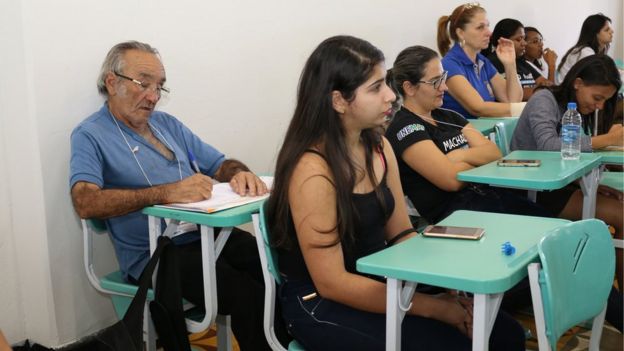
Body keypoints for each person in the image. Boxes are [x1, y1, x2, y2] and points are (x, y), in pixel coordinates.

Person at [267, 35, 525, 351]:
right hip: (321, 301)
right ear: (338, 101)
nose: (390, 95)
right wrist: (435, 307)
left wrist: (450, 286)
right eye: (375, 88)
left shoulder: (379, 146)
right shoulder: (312, 171)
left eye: (385, 83)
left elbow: (402, 234)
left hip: (381, 279)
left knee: (503, 333)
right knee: (453, 343)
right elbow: (332, 282)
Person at [69, 41, 279, 350]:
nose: (153, 96)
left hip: (206, 237)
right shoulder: (91, 135)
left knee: (273, 268)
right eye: (144, 83)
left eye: (160, 87)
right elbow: (85, 202)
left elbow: (219, 164)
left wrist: (239, 173)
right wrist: (166, 193)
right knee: (246, 294)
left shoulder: (167, 125)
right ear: (112, 82)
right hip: (155, 255)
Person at [510, 55, 623, 330]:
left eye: (605, 101)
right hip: (532, 190)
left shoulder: (575, 111)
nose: (598, 106)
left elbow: (568, 158)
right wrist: (605, 140)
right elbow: (549, 147)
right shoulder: (544, 100)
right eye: (597, 98)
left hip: (560, 184)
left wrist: (591, 184)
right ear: (578, 83)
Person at [385, 44, 552, 226]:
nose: (445, 87)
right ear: (409, 88)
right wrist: (477, 161)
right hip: (456, 216)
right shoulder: (406, 128)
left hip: (486, 198)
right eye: (435, 81)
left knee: (550, 223)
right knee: (535, 230)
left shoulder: (449, 116)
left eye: (444, 77)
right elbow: (450, 180)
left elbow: (494, 154)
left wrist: (459, 156)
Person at [437, 3, 524, 119]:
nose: (489, 33)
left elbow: (512, 100)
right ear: (460, 33)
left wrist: (510, 65)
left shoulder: (482, 61)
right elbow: (478, 108)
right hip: (462, 135)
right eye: (480, 27)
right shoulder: (449, 64)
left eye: (488, 26)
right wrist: (527, 108)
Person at [484, 19, 552, 101]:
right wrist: (540, 89)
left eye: (524, 38)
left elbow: (549, 85)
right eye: (519, 39)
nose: (524, 43)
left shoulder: (522, 62)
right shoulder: (492, 62)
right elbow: (515, 95)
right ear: (503, 40)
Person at [556, 13, 613, 84]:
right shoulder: (585, 52)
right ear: (595, 33)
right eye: (607, 30)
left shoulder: (593, 51)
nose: (612, 31)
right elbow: (598, 78)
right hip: (566, 91)